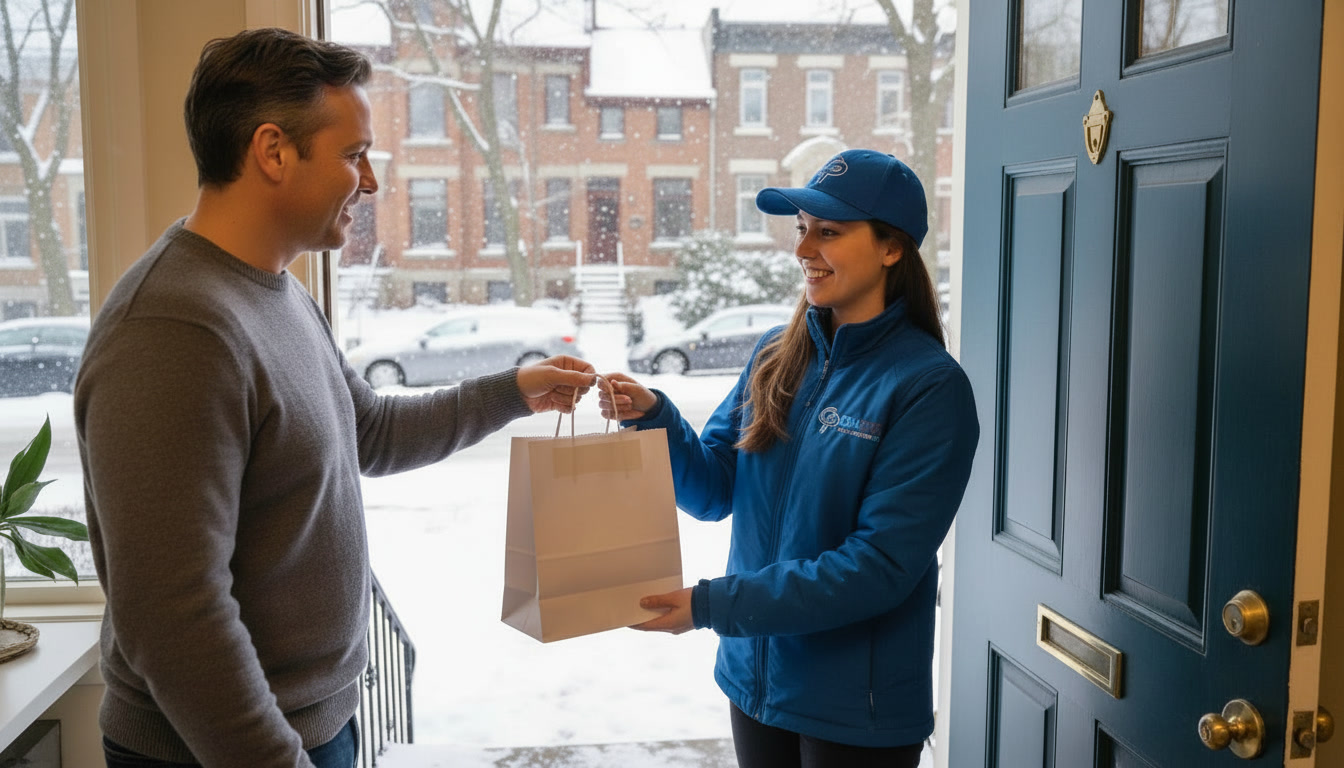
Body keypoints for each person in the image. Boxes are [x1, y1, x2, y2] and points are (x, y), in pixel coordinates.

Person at [74, 28, 595, 768]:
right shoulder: (173, 331)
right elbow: (172, 617)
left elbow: (368, 430)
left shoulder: (272, 290)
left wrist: (514, 392)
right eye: (354, 155)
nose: (371, 182)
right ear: (273, 152)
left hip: (309, 728)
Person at [599, 149, 980, 768]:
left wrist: (711, 605)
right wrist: (653, 417)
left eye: (828, 232)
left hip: (855, 709)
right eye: (802, 229)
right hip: (753, 683)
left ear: (892, 248)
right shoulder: (777, 354)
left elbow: (878, 567)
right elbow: (714, 489)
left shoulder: (927, 387)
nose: (804, 250)